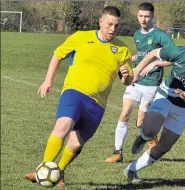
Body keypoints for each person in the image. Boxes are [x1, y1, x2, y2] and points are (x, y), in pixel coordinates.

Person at [24, 6, 133, 188]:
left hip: (98, 104)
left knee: (75, 145)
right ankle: (41, 170)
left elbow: (127, 81)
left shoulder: (123, 50)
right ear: (101, 22)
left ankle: (58, 171)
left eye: (116, 25)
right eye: (109, 24)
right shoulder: (81, 37)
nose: (113, 29)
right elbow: (58, 55)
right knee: (63, 126)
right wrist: (47, 80)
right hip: (74, 92)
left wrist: (127, 75)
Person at [124, 27, 185, 183]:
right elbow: (153, 53)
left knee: (164, 147)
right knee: (151, 129)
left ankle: (131, 170)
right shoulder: (178, 52)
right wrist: (137, 73)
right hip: (165, 96)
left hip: (184, 107)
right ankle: (144, 136)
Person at [105, 2, 175, 164]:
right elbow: (144, 55)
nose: (143, 19)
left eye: (147, 16)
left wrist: (156, 63)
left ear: (153, 16)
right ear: (137, 15)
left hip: (151, 84)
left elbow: (173, 57)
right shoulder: (137, 35)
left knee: (140, 122)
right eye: (141, 16)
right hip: (135, 81)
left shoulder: (161, 36)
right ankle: (117, 152)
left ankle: (154, 145)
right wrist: (135, 59)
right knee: (124, 114)